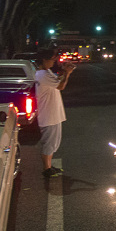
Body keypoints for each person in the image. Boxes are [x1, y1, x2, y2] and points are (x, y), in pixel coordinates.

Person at [35, 48, 77, 178]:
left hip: (52, 114)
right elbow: (60, 86)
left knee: (53, 143)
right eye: (52, 59)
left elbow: (58, 79)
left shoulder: (45, 73)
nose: (54, 62)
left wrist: (64, 70)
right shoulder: (43, 75)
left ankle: (48, 166)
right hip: (49, 115)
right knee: (49, 143)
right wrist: (67, 73)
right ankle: (46, 169)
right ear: (44, 59)